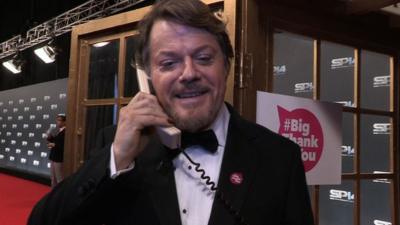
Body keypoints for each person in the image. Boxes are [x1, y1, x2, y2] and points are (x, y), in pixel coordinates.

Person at [28, 0, 314, 224]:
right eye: (168, 63)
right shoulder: (115, 145)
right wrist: (116, 158)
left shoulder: (280, 157)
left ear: (226, 65)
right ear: (148, 75)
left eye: (204, 58)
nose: (189, 73)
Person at [46, 113, 66, 188]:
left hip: (59, 158)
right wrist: (50, 136)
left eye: (59, 120)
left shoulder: (66, 132)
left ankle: (59, 196)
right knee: (53, 178)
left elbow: (63, 145)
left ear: (65, 122)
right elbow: (55, 141)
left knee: (59, 179)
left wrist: (53, 145)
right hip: (53, 157)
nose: (58, 122)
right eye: (57, 120)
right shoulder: (59, 130)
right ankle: (53, 195)